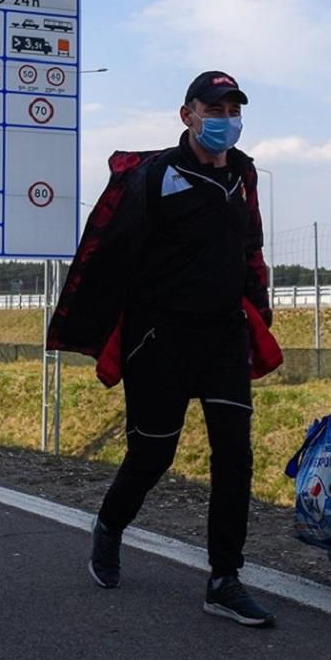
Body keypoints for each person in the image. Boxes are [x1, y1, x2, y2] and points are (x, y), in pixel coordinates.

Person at [47, 71, 277, 627]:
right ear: (187, 115)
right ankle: (110, 525)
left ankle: (224, 579)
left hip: (223, 336)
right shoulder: (155, 176)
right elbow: (110, 254)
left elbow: (251, 250)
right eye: (213, 108)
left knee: (235, 455)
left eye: (232, 109)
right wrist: (98, 326)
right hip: (160, 338)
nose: (225, 119)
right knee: (153, 454)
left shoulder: (243, 177)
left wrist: (258, 310)